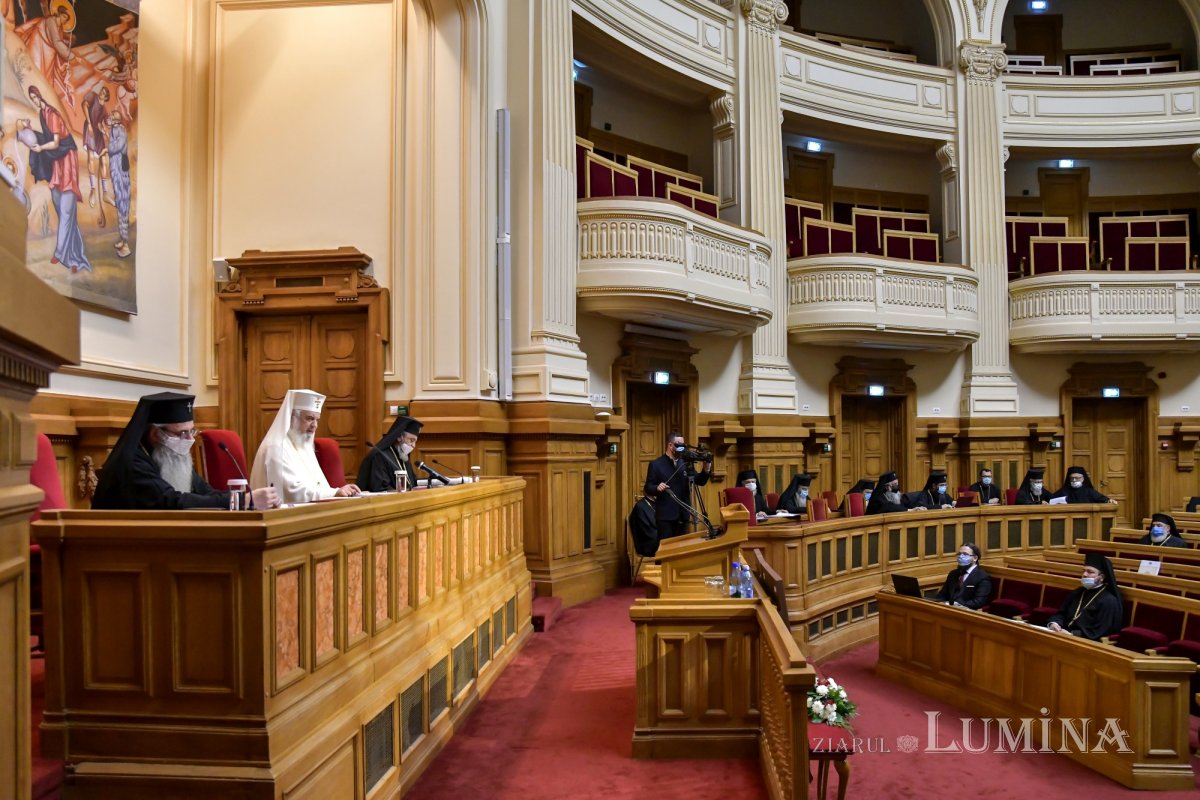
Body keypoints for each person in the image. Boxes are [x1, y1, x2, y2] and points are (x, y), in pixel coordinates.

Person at [92, 391, 279, 511]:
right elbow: (172, 502)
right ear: (156, 434)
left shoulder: (169, 456)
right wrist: (244, 501)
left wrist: (244, 499)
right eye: (182, 433)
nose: (190, 440)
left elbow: (205, 492)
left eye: (192, 431)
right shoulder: (132, 463)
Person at [251, 389, 362, 503]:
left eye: (317, 420)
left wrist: (341, 491)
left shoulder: (304, 446)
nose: (314, 425)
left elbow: (318, 485)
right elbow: (292, 491)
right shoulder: (275, 448)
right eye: (309, 418)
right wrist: (333, 493)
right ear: (291, 418)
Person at [25, 85, 90, 272]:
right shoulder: (42, 115)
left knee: (67, 211)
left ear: (39, 97)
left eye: (35, 98)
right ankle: (76, 255)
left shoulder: (51, 114)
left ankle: (62, 254)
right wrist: (32, 135)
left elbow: (53, 143)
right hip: (57, 163)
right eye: (31, 99)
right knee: (63, 211)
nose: (34, 101)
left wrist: (40, 148)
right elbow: (46, 138)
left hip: (66, 160)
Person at [643, 431, 711, 540]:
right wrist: (657, 487)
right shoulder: (656, 464)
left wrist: (706, 468)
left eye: (684, 446)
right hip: (665, 517)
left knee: (681, 551)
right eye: (680, 445)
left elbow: (700, 481)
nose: (683, 448)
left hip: (683, 514)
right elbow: (648, 487)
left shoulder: (685, 463)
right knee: (667, 552)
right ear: (670, 446)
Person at [1047, 553, 1123, 640]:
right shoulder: (1077, 592)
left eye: (1090, 572)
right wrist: (1054, 623)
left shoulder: (1109, 601)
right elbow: (1061, 613)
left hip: (1084, 642)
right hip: (1062, 635)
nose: (1085, 574)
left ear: (1101, 577)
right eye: (1083, 571)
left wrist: (1072, 634)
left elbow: (1102, 630)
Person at [357, 415, 423, 492]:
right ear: (399, 437)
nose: (413, 445)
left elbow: (412, 483)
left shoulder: (403, 457)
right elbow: (380, 489)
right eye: (411, 440)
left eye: (415, 441)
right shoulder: (380, 456)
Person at [934, 542, 992, 609]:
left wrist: (956, 606)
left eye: (965, 554)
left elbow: (978, 602)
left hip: (967, 613)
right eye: (959, 554)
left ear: (975, 558)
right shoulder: (953, 574)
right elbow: (942, 595)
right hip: (948, 610)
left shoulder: (983, 577)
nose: (961, 557)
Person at [1052, 465, 1117, 505]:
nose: (1074, 480)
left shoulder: (1088, 491)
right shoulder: (1064, 491)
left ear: (1083, 479)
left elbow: (1100, 498)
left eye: (1077, 478)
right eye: (1072, 478)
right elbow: (1052, 499)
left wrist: (1108, 500)